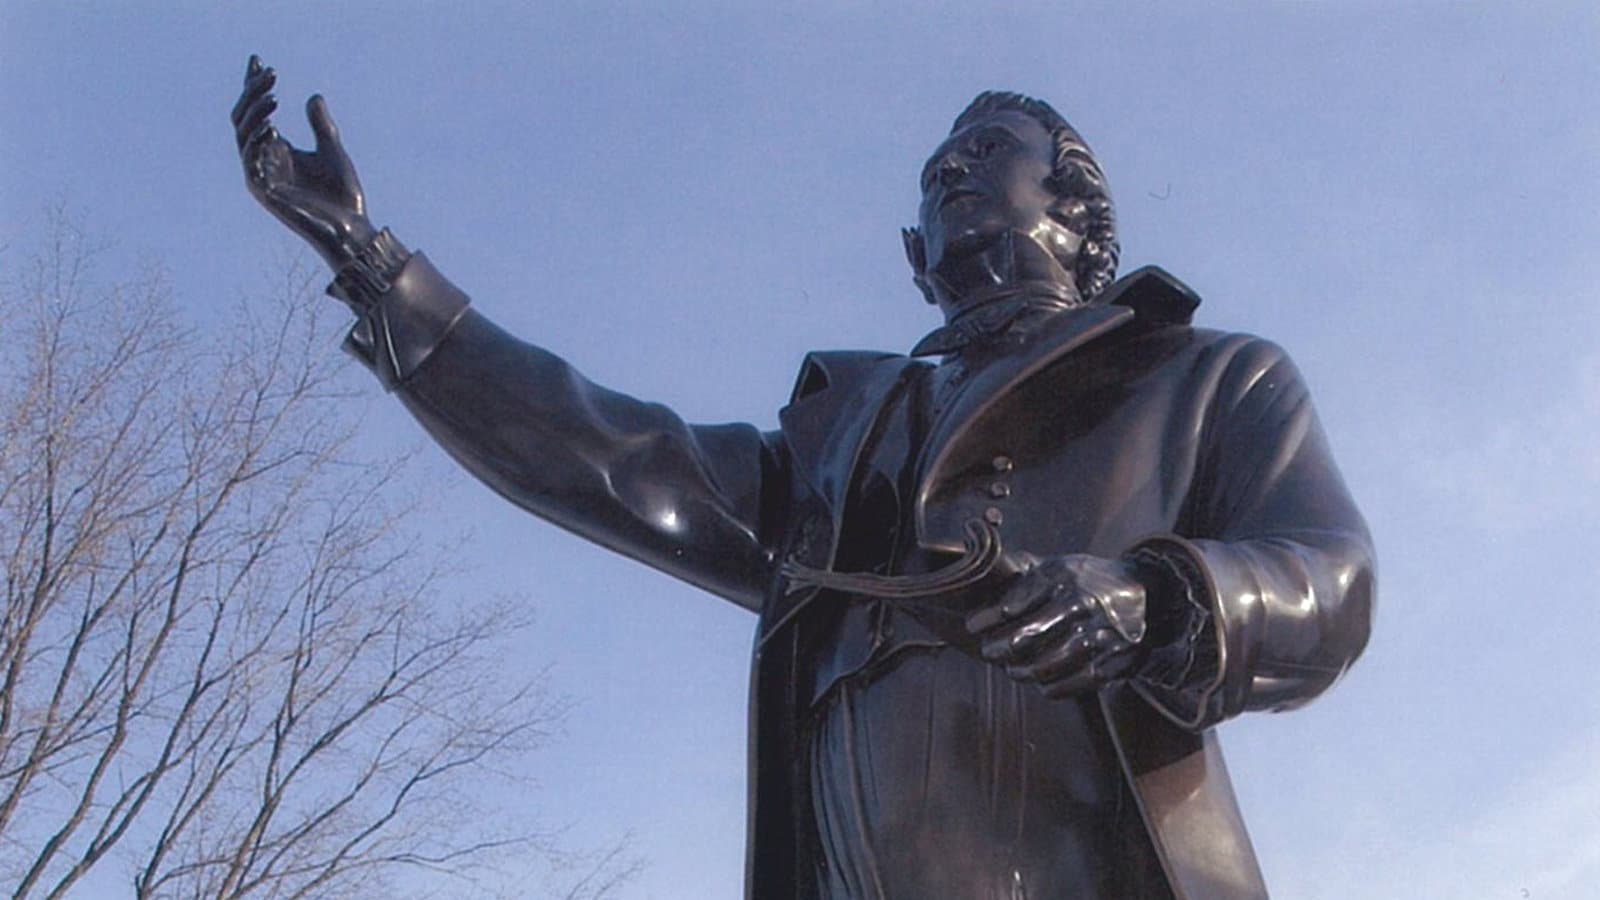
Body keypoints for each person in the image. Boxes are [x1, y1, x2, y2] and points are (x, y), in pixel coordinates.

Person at [232, 56, 1374, 900]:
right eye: (935, 170)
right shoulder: (843, 440)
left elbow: (1330, 579)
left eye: (985, 155)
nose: (949, 169)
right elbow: (612, 458)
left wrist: (1158, 597)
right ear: (910, 258)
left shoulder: (1204, 377)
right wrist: (380, 273)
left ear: (1073, 205)